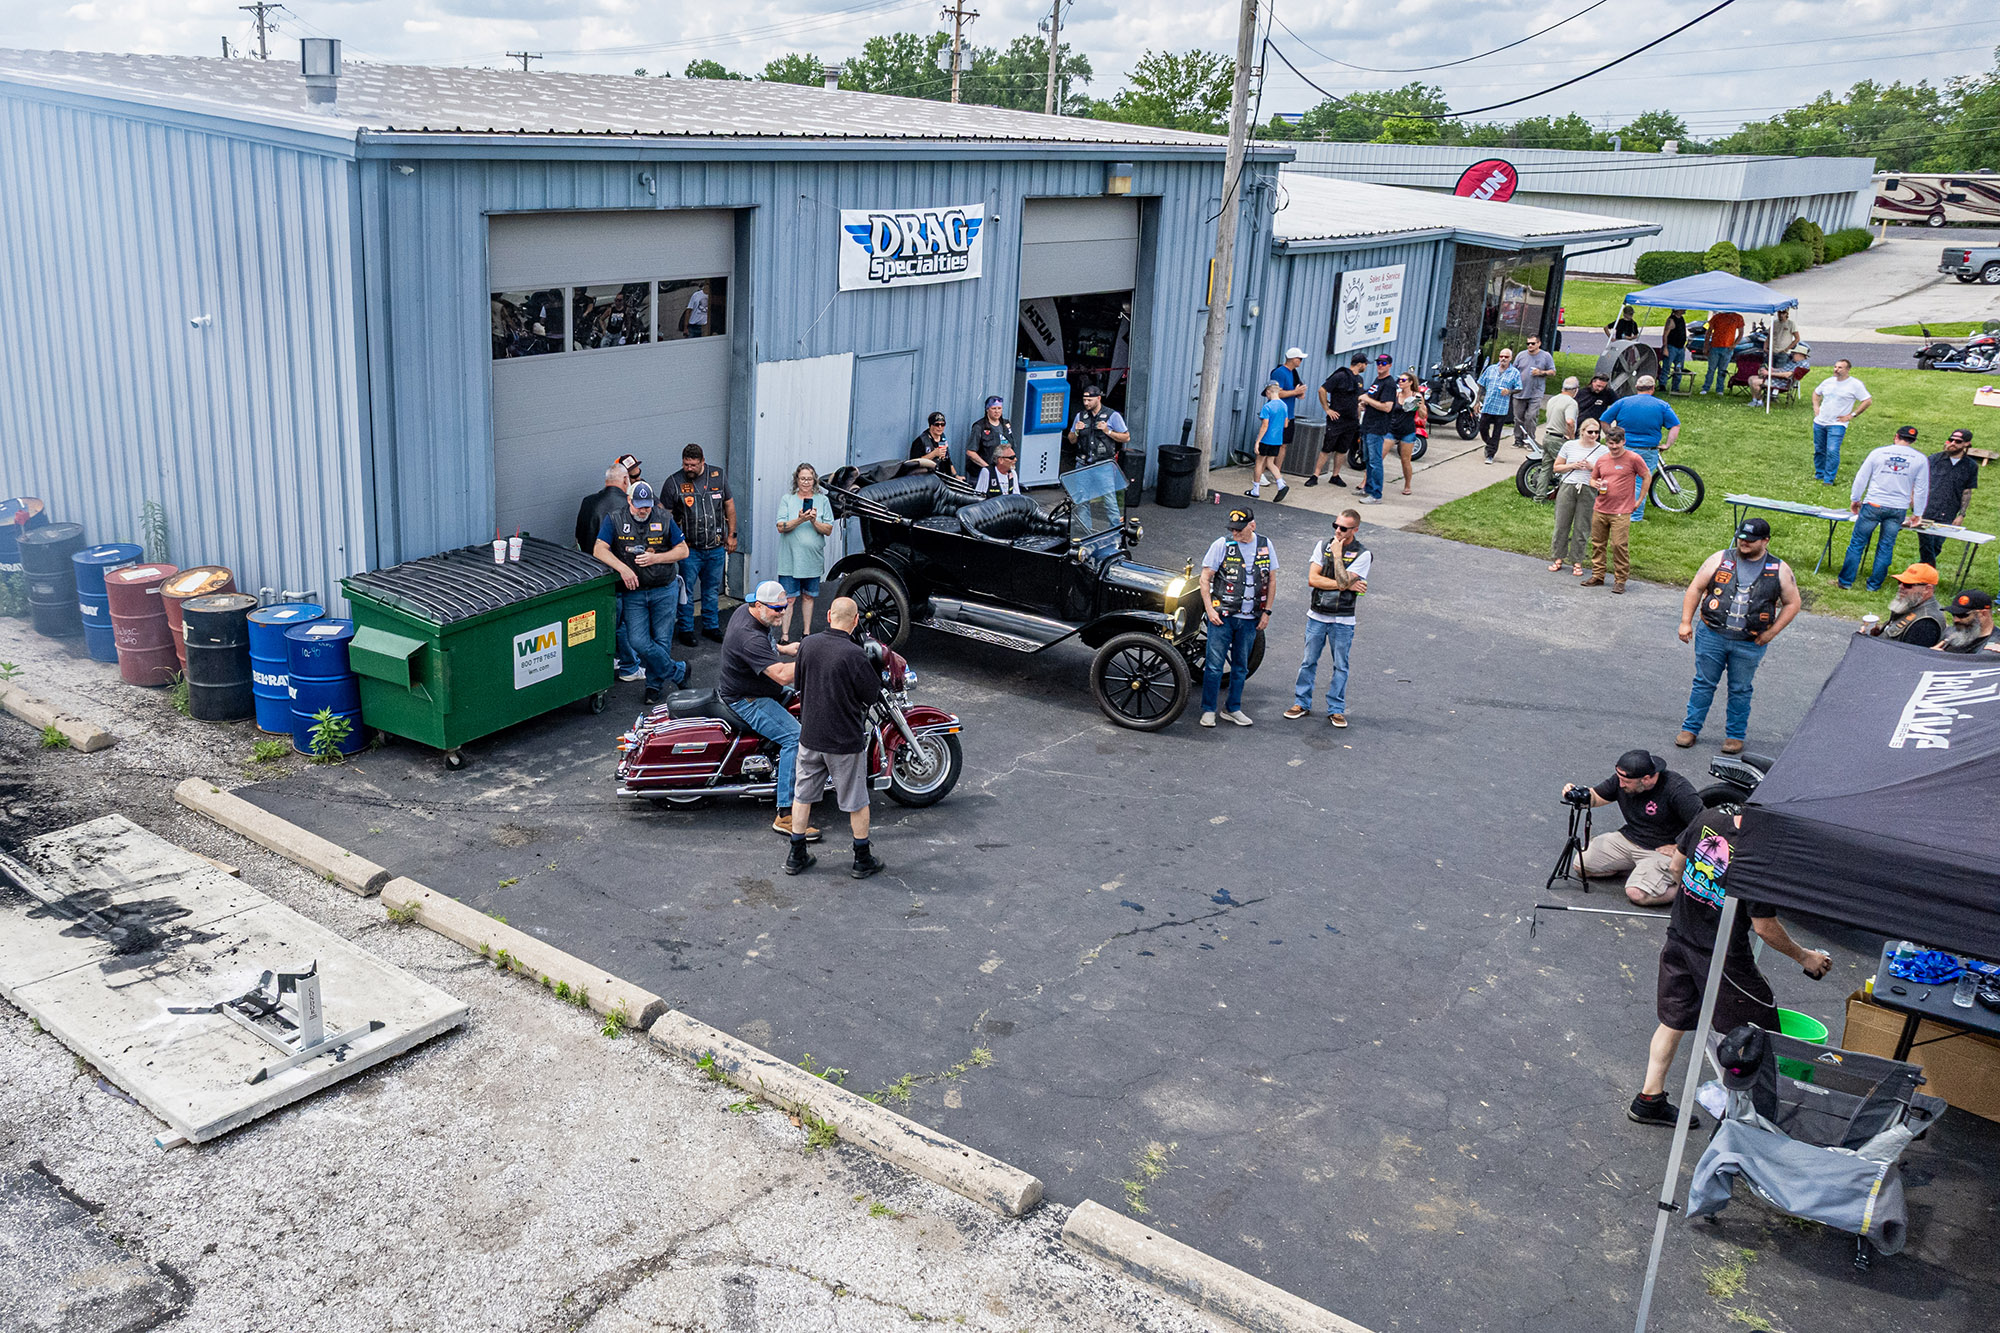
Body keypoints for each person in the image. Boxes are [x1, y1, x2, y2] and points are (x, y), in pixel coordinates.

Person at [1628, 807, 1831, 1128]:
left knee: (1673, 1022)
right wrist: (1805, 956)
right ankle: (1748, 1120)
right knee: (1756, 1032)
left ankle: (1648, 1099)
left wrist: (1700, 902)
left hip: (1680, 937)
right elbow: (1764, 927)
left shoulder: (1709, 818)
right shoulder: (1758, 856)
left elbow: (1677, 866)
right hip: (1722, 956)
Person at [1676, 518, 1801, 755]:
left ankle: (1735, 736)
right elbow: (1695, 588)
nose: (1743, 542)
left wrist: (1772, 633)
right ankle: (1690, 729)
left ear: (1765, 541)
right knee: (1703, 683)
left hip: (1749, 642)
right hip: (1712, 634)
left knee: (1740, 689)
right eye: (1741, 538)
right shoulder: (1719, 559)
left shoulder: (1779, 569)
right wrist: (1685, 622)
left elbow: (1793, 603)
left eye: (1751, 540)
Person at [785, 597, 887, 880]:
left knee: (803, 796)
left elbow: (799, 683)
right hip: (843, 741)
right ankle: (862, 858)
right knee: (857, 800)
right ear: (856, 621)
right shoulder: (854, 655)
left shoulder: (808, 645)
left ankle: (796, 854)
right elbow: (872, 695)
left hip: (810, 736)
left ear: (829, 615)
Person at [718, 581, 820, 840]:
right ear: (760, 605)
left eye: (784, 608)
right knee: (794, 737)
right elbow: (782, 676)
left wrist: (785, 649)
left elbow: (769, 648)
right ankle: (785, 814)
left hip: (755, 688)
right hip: (747, 698)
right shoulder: (749, 636)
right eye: (777, 609)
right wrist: (822, 660)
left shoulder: (748, 611)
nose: (783, 613)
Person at [1560, 749, 1703, 908]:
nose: (1620, 785)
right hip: (1630, 838)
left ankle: (1689, 889)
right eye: (1619, 779)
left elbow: (1704, 824)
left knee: (1636, 894)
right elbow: (1596, 796)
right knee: (1582, 865)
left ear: (1646, 779)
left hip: (1661, 850)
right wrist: (1577, 795)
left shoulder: (1677, 789)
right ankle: (1640, 872)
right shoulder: (1623, 779)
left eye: (1626, 782)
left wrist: (1679, 847)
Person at [592, 480, 690, 703]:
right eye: (639, 505)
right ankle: (679, 671)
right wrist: (623, 568)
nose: (643, 510)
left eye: (647, 505)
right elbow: (599, 549)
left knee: (663, 639)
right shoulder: (615, 518)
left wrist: (657, 558)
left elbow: (683, 550)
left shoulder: (664, 517)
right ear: (629, 501)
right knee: (637, 640)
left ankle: (653, 686)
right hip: (634, 591)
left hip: (664, 588)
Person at [1286, 509, 1369, 727]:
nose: (1338, 531)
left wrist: (1338, 555)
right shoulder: (1322, 546)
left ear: (1355, 530)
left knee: (1341, 665)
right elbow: (1313, 579)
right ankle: (1301, 703)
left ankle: (1336, 709)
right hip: (1317, 615)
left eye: (1343, 528)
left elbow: (1342, 580)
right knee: (1308, 661)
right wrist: (1347, 584)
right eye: (1336, 526)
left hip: (1343, 619)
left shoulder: (1363, 554)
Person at [1197, 508, 1276, 728]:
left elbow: (1271, 580)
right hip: (1222, 617)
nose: (1235, 533)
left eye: (1239, 530)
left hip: (1250, 618)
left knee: (1241, 666)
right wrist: (1209, 610)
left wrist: (1267, 612)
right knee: (1214, 666)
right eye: (1232, 529)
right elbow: (1205, 578)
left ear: (1253, 525)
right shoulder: (1221, 545)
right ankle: (1208, 710)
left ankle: (1232, 708)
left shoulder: (1266, 545)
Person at [1839, 426, 1930, 592]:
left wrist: (1855, 498)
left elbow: (1861, 477)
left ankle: (1846, 581)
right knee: (1886, 546)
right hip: (1897, 508)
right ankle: (1874, 585)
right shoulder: (1920, 459)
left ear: (1896, 436)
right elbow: (1922, 488)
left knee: (1857, 543)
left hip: (1874, 504)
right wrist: (1918, 512)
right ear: (1914, 441)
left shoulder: (1878, 453)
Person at [576, 460, 642, 681]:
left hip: (590, 575)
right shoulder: (627, 506)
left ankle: (612, 658)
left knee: (600, 622)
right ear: (625, 480)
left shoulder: (588, 502)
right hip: (618, 577)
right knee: (621, 622)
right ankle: (630, 667)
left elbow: (578, 536)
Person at [669, 443, 737, 645]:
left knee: (711, 589)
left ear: (702, 462)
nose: (688, 468)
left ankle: (711, 626)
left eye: (693, 465)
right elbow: (664, 515)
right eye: (685, 464)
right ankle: (686, 629)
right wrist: (674, 544)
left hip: (715, 547)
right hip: (689, 550)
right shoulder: (673, 482)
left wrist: (732, 535)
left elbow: (729, 505)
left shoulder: (718, 475)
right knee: (686, 592)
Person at [1599, 375, 1679, 522]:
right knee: (1640, 482)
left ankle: (1612, 509)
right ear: (1653, 388)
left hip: (1624, 448)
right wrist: (1667, 444)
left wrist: (1610, 436)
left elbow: (1604, 419)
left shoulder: (1623, 402)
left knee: (1618, 478)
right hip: (1648, 449)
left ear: (1636, 387)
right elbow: (1675, 425)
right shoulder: (1662, 405)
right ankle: (1634, 515)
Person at [1583, 424, 1647, 593]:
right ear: (1607, 442)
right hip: (1601, 508)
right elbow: (1592, 478)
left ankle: (1620, 580)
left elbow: (1647, 476)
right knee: (1597, 543)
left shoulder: (1633, 459)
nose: (1614, 447)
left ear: (1623, 442)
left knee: (1619, 545)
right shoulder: (1603, 460)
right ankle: (1598, 575)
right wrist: (1594, 483)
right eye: (1611, 444)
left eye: (1617, 444)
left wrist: (1639, 499)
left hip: (1621, 511)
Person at [775, 463, 832, 643]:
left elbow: (828, 529)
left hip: (812, 560)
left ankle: (806, 633)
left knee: (808, 597)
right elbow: (781, 527)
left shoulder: (822, 501)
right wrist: (800, 520)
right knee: (789, 599)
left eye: (809, 478)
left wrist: (814, 521)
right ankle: (784, 636)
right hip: (790, 560)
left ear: (814, 480)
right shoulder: (787, 499)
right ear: (796, 480)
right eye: (802, 478)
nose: (805, 482)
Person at [1548, 418, 1606, 576]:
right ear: (1582, 431)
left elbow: (1606, 473)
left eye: (1596, 432)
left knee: (1582, 527)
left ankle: (1577, 561)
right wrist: (1572, 466)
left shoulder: (1603, 450)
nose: (1593, 435)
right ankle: (1558, 557)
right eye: (1590, 432)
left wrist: (1591, 467)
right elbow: (1557, 467)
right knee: (1562, 524)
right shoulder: (1569, 446)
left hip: (1588, 489)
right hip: (1569, 486)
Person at [1919, 427, 1979, 566]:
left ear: (1966, 444)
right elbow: (1919, 481)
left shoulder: (1971, 466)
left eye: (1957, 441)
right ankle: (1925, 575)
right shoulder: (1933, 459)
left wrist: (1961, 514)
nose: (1952, 443)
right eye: (1951, 439)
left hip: (1949, 511)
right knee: (1926, 544)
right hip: (1927, 508)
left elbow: (1967, 491)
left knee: (1936, 546)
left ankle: (1920, 572)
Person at [1809, 359, 1871, 485]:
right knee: (1819, 449)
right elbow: (1816, 393)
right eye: (1835, 367)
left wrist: (1852, 415)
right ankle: (1819, 474)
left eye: (1840, 368)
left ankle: (1828, 479)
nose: (1836, 370)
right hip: (1820, 422)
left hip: (1837, 424)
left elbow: (1867, 400)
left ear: (1848, 370)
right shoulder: (1828, 382)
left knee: (1832, 450)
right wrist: (1816, 407)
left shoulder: (1855, 385)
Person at [1307, 351, 1362, 488]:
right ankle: (1315, 475)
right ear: (1360, 364)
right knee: (1327, 448)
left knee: (1343, 449)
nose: (1366, 367)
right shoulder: (1340, 376)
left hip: (1351, 420)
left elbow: (1358, 398)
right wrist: (1327, 409)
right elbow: (1322, 390)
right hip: (1337, 419)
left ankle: (1335, 475)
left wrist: (1358, 412)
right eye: (1365, 364)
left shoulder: (1359, 380)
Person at [1860, 563, 1946, 647]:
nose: (1900, 586)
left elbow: (1909, 657)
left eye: (1907, 585)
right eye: (1899, 582)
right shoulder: (1913, 604)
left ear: (1927, 589)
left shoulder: (1926, 624)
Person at [1356, 353, 1396, 500]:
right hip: (1367, 424)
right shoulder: (1377, 381)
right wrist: (1365, 403)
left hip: (1377, 427)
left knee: (1375, 461)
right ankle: (1368, 488)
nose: (1380, 365)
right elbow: (1374, 400)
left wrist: (1367, 398)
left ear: (1390, 365)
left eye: (1384, 363)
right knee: (1367, 459)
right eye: (1378, 362)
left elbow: (1387, 407)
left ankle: (1376, 494)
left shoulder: (1389, 384)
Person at [1381, 370, 1427, 500]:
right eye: (1399, 380)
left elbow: (1423, 415)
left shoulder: (1416, 396)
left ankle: (1407, 485)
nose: (1400, 382)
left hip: (1407, 431)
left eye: (1403, 380)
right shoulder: (1396, 394)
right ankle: (1365, 482)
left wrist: (1419, 407)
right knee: (1379, 456)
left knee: (1405, 460)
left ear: (1410, 382)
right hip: (1392, 429)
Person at [1247, 381, 1290, 501]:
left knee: (1259, 463)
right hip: (1277, 440)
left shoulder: (1267, 407)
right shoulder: (1284, 406)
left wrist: (1257, 441)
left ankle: (1255, 490)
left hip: (1266, 439)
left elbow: (1264, 426)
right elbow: (1285, 424)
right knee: (1271, 463)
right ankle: (1281, 484)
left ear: (1268, 391)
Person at [1067, 384, 1128, 467]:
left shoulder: (1112, 415)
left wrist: (1108, 431)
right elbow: (1072, 440)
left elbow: (1126, 437)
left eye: (1089, 400)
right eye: (1084, 400)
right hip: (1083, 463)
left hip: (1104, 464)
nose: (1086, 403)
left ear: (1098, 398)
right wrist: (1077, 431)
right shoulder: (1080, 416)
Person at [1512, 334, 1555, 450]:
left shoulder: (1545, 356)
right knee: (1518, 417)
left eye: (1533, 343)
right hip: (1519, 391)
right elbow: (1513, 370)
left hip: (1536, 392)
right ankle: (1518, 440)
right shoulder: (1521, 355)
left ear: (1539, 343)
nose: (1530, 346)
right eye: (1528, 344)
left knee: (1531, 416)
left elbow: (1552, 372)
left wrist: (1541, 372)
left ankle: (1530, 440)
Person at [1477, 347, 1520, 463]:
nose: (1503, 359)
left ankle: (1490, 454)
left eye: (1506, 357)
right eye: (1501, 356)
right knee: (1482, 427)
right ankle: (1490, 443)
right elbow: (1481, 385)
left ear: (1511, 358)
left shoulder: (1514, 373)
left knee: (1497, 432)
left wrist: (1509, 391)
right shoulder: (1491, 369)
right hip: (1488, 405)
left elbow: (1519, 388)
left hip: (1501, 408)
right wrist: (1477, 402)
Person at [965, 395, 1015, 480]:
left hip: (1003, 472)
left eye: (999, 408)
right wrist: (988, 469)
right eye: (993, 408)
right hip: (982, 474)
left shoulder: (1006, 425)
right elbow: (970, 452)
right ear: (987, 409)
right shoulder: (979, 427)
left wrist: (1011, 469)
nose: (997, 411)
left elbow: (1011, 448)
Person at [1270, 346, 1309, 450]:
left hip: (1289, 414)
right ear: (1294, 359)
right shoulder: (1279, 372)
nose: (1301, 361)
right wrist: (1295, 392)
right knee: (1274, 444)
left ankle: (1277, 467)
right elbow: (1277, 393)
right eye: (1300, 359)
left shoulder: (1294, 373)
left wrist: (1299, 393)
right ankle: (1269, 465)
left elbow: (1295, 392)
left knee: (1284, 444)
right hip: (1279, 413)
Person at [1937, 588, 1996, 653]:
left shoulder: (1994, 648)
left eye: (1962, 615)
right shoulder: (1951, 632)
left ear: (1983, 614)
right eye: (1953, 614)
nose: (1955, 620)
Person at [1701, 312, 1743, 395]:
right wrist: (1706, 346)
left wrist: (1734, 344)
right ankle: (1706, 387)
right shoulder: (1717, 317)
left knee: (1722, 370)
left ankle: (1720, 389)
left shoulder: (1737, 317)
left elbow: (1741, 333)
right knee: (1711, 369)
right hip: (1715, 346)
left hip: (1728, 348)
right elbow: (1708, 332)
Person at [1540, 374, 1580, 461]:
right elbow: (1569, 422)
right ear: (1575, 390)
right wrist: (1572, 439)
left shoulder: (1552, 399)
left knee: (1546, 467)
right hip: (1559, 439)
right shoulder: (1571, 402)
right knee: (1565, 466)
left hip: (1547, 437)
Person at [908, 412, 958, 477]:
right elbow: (914, 462)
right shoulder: (920, 441)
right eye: (937, 424)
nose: (940, 427)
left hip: (943, 477)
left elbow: (948, 461)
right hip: (926, 478)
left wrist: (956, 476)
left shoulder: (943, 438)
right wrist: (934, 454)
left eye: (942, 424)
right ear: (930, 425)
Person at [1662, 309, 1688, 388]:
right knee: (1667, 367)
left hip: (1680, 348)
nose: (1685, 310)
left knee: (1679, 367)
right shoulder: (1671, 320)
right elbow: (1665, 335)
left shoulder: (1682, 319)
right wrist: (1665, 347)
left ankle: (1676, 386)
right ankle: (1662, 384)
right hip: (1671, 347)